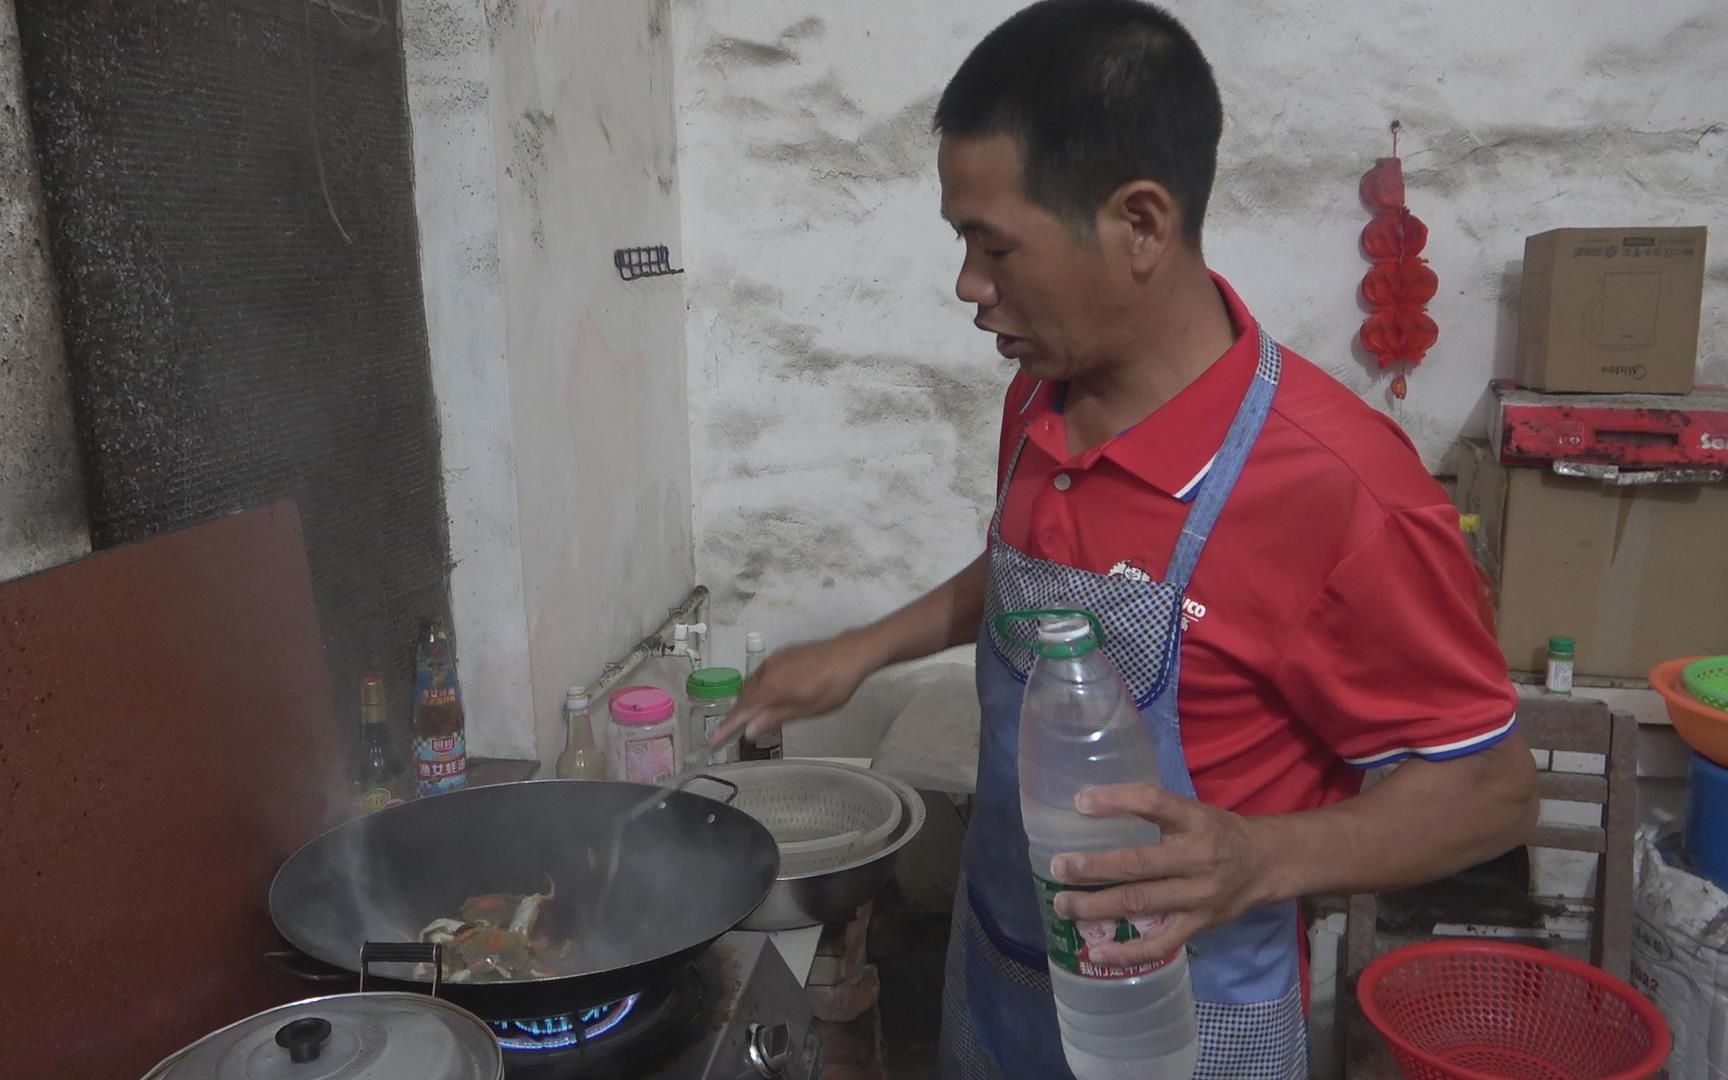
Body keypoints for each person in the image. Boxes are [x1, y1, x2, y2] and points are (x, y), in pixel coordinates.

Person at [715, 1, 1537, 1075]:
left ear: (1141, 224)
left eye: (993, 245)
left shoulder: (1339, 494)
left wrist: (1258, 857)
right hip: (1002, 977)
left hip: (1186, 1024)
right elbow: (1033, 582)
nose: (969, 285)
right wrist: (865, 648)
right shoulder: (1041, 394)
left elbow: (1493, 790)